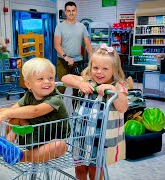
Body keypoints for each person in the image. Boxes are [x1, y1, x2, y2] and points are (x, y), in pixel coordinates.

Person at [0, 58, 70, 162]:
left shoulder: (55, 99)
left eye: (51, 78)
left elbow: (35, 111)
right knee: (16, 115)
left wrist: (7, 113)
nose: (47, 82)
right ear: (28, 84)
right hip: (34, 135)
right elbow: (13, 110)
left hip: (51, 140)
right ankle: (7, 143)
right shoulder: (29, 96)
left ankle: (21, 156)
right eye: (40, 79)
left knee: (61, 145)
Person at [61, 44, 129, 180]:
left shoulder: (117, 87)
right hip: (81, 136)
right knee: (79, 170)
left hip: (99, 140)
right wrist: (80, 84)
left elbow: (123, 107)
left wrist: (112, 91)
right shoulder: (87, 81)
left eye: (105, 69)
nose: (99, 72)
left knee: (95, 173)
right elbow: (65, 78)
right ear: (90, 67)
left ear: (114, 70)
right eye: (95, 68)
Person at [54, 1, 92, 94]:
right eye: (69, 11)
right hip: (62, 61)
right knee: (61, 88)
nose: (71, 13)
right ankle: (58, 108)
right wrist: (66, 57)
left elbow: (88, 44)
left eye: (73, 10)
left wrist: (92, 60)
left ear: (76, 11)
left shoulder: (82, 26)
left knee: (78, 89)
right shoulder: (60, 26)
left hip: (77, 62)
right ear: (65, 12)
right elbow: (57, 45)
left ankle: (76, 108)